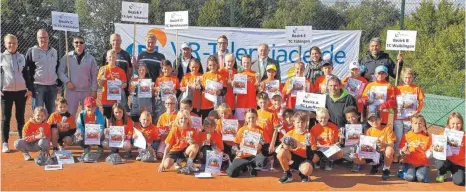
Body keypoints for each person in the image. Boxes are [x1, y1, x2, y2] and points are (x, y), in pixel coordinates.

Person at [1, 34, 32, 153]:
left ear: (17, 44)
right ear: (5, 44)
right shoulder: (1, 57)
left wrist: (29, 89)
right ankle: (5, 143)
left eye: (14, 43)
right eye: (9, 43)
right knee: (5, 117)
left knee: (20, 117)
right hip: (6, 92)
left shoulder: (22, 57)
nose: (12, 45)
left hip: (21, 92)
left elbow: (26, 75)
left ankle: (22, 141)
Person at [58, 35, 98, 117]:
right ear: (73, 44)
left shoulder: (91, 58)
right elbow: (60, 72)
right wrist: (67, 81)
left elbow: (94, 75)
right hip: (72, 91)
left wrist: (94, 90)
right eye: (76, 42)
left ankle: (85, 130)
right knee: (69, 114)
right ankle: (70, 130)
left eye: (81, 42)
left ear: (84, 45)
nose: (79, 44)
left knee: (88, 114)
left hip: (87, 91)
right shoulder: (67, 57)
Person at [393, 67, 425, 162]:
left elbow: (422, 102)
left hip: (410, 118)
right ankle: (396, 154)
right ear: (403, 77)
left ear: (413, 77)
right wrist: (395, 108)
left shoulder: (417, 89)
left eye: (410, 77)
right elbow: (392, 101)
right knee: (398, 136)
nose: (408, 79)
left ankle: (403, 154)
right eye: (406, 77)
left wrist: (417, 111)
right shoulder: (397, 88)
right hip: (398, 117)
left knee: (406, 137)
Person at [352, 113, 396, 180]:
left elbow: (391, 144)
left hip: (383, 152)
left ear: (380, 119)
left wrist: (383, 144)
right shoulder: (368, 131)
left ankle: (386, 170)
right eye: (371, 120)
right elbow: (366, 146)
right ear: (369, 122)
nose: (374, 122)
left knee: (389, 150)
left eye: (376, 119)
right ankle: (375, 165)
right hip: (373, 153)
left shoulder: (387, 129)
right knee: (357, 158)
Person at [25, 29, 59, 114]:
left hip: (52, 86)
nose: (43, 39)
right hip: (37, 86)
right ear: (37, 38)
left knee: (51, 113)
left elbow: (58, 68)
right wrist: (29, 87)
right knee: (38, 113)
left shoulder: (54, 51)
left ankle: (49, 127)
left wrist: (59, 84)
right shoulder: (32, 51)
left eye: (45, 37)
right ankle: (37, 128)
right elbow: (26, 70)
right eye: (40, 37)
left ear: (48, 38)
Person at [276, 111, 315, 183]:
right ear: (293, 123)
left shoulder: (309, 135)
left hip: (304, 159)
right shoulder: (289, 133)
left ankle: (303, 174)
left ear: (306, 123)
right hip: (292, 157)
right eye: (298, 122)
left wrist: (300, 144)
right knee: (280, 153)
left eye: (303, 122)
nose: (300, 124)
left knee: (307, 170)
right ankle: (288, 174)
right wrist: (286, 146)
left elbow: (311, 154)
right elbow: (282, 147)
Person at [227, 109, 267, 177]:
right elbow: (235, 145)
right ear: (245, 118)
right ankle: (245, 167)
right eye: (249, 118)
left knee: (262, 161)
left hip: (255, 155)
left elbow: (265, 144)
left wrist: (261, 146)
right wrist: (236, 151)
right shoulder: (242, 130)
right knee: (231, 173)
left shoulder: (261, 130)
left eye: (253, 117)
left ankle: (253, 167)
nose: (251, 119)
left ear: (257, 117)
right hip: (243, 156)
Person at [158, 110, 200, 174]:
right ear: (178, 119)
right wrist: (162, 162)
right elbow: (167, 147)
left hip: (185, 151)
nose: (183, 120)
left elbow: (196, 145)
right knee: (166, 165)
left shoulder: (192, 130)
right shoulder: (174, 129)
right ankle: (177, 161)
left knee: (195, 146)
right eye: (181, 118)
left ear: (188, 119)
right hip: (175, 150)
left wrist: (192, 142)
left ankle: (188, 165)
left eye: (186, 118)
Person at [101, 34, 133, 111]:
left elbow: (130, 70)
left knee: (121, 110)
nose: (116, 42)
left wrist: (125, 83)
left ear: (121, 41)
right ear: (110, 42)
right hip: (109, 89)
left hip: (122, 88)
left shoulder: (126, 55)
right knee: (109, 111)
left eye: (118, 40)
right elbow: (103, 70)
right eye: (114, 40)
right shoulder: (106, 54)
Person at [398, 115, 431, 183]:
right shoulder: (406, 135)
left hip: (422, 163)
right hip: (409, 162)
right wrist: (403, 151)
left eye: (420, 123)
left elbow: (429, 155)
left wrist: (432, 150)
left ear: (424, 124)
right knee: (410, 177)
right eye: (415, 123)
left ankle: (422, 174)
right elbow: (401, 151)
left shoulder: (428, 137)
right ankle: (402, 173)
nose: (418, 125)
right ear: (411, 125)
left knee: (421, 178)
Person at [435, 112, 465, 186]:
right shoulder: (444, 134)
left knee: (460, 182)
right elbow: (437, 147)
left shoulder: (464, 136)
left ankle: (454, 173)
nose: (455, 126)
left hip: (459, 163)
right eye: (453, 123)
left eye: (458, 123)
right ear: (448, 124)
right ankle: (442, 173)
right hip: (446, 160)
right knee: (440, 163)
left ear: (462, 123)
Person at [97, 50, 127, 119]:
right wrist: (103, 76)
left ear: (116, 58)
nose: (111, 58)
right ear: (107, 58)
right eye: (110, 57)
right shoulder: (102, 69)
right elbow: (101, 84)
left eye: (113, 57)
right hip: (106, 100)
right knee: (107, 119)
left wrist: (120, 83)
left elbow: (125, 85)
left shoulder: (121, 71)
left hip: (117, 100)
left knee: (117, 119)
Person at [234, 55, 258, 122]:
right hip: (240, 104)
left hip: (252, 104)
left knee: (252, 125)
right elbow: (236, 92)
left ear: (251, 63)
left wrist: (258, 83)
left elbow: (258, 89)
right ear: (241, 63)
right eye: (244, 62)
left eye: (248, 62)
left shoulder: (256, 74)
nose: (246, 64)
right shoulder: (238, 75)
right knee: (240, 124)